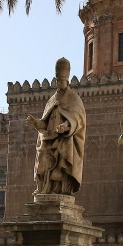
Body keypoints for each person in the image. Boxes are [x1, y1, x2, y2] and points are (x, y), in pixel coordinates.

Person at [27, 57, 87, 196]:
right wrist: (36, 122)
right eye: (57, 80)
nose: (59, 82)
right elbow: (45, 122)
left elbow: (77, 119)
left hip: (64, 137)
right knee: (42, 152)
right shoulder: (52, 100)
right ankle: (44, 188)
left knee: (65, 149)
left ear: (67, 80)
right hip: (49, 137)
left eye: (62, 80)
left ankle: (60, 189)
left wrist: (65, 127)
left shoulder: (73, 98)